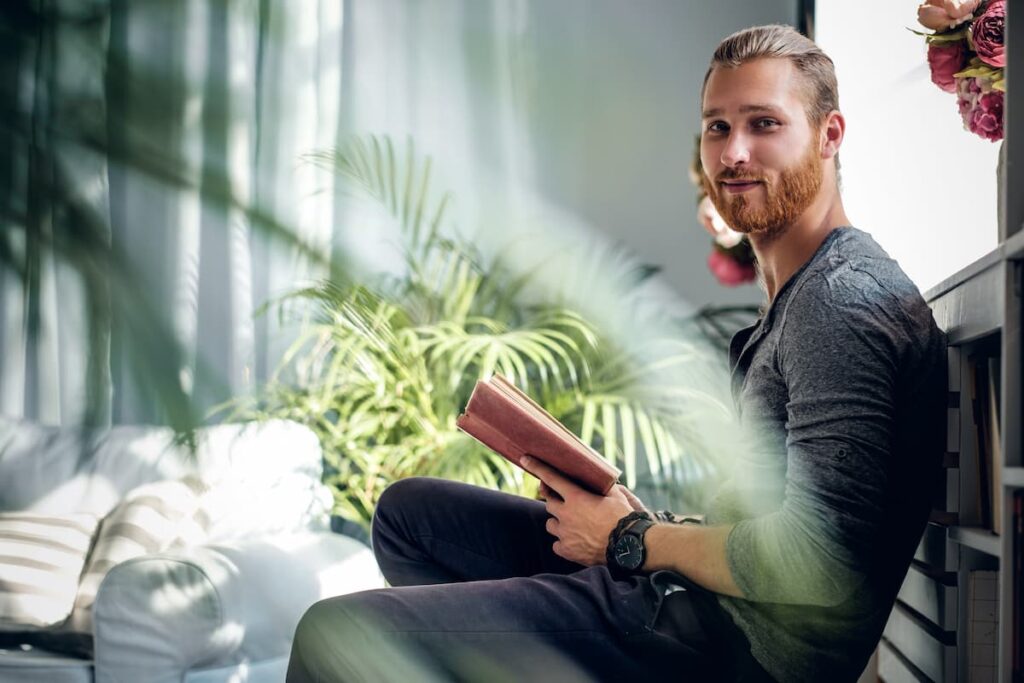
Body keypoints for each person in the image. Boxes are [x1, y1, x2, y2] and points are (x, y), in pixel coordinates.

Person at [286, 24, 946, 683]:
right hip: (695, 603)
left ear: (830, 135)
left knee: (334, 630)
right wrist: (639, 523)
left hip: (725, 650)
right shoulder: (802, 294)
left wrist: (632, 539)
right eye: (717, 127)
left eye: (764, 123)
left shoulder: (840, 301)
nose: (733, 152)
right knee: (411, 516)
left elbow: (818, 561)